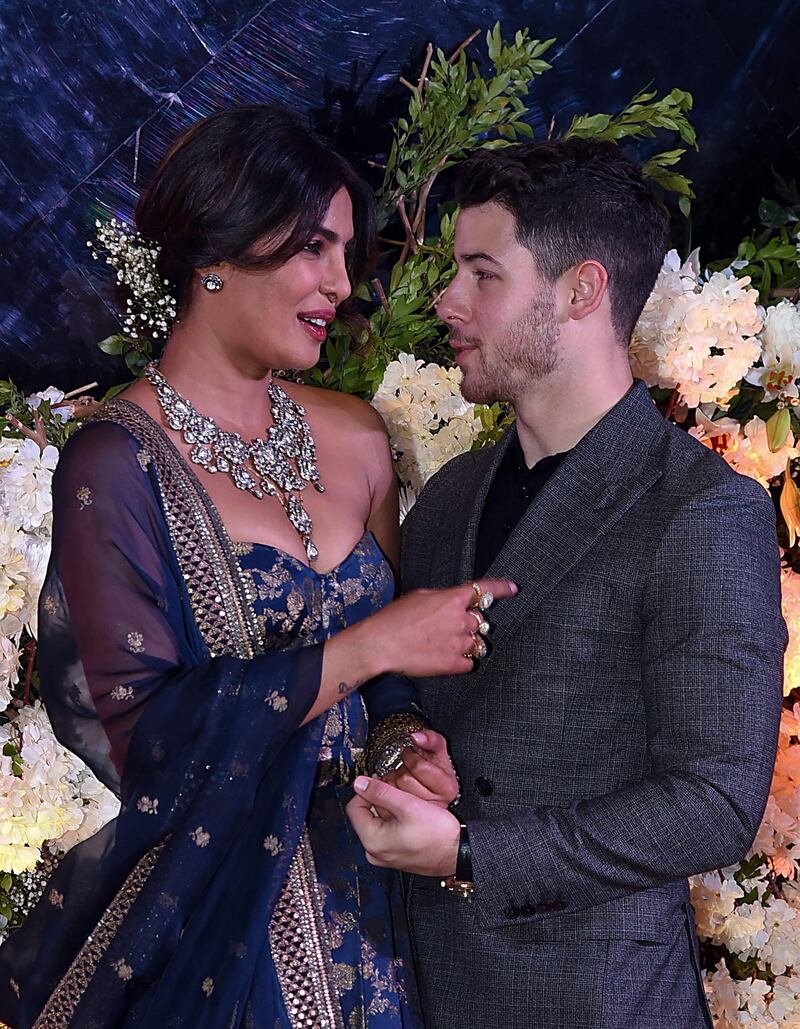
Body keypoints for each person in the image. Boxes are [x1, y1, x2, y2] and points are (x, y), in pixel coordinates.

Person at [0, 104, 514, 1029]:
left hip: (388, 904)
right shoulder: (117, 464)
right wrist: (360, 650)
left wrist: (406, 748)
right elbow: (144, 738)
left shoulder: (356, 439)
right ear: (217, 251)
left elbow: (395, 685)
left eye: (346, 252)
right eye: (313, 248)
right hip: (224, 928)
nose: (340, 283)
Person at [347, 138, 787, 1028]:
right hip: (420, 987)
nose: (447, 300)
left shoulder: (701, 509)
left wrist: (471, 851)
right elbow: (396, 679)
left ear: (581, 291)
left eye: (482, 274)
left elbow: (714, 802)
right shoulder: (450, 498)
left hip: (597, 1001)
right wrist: (399, 741)